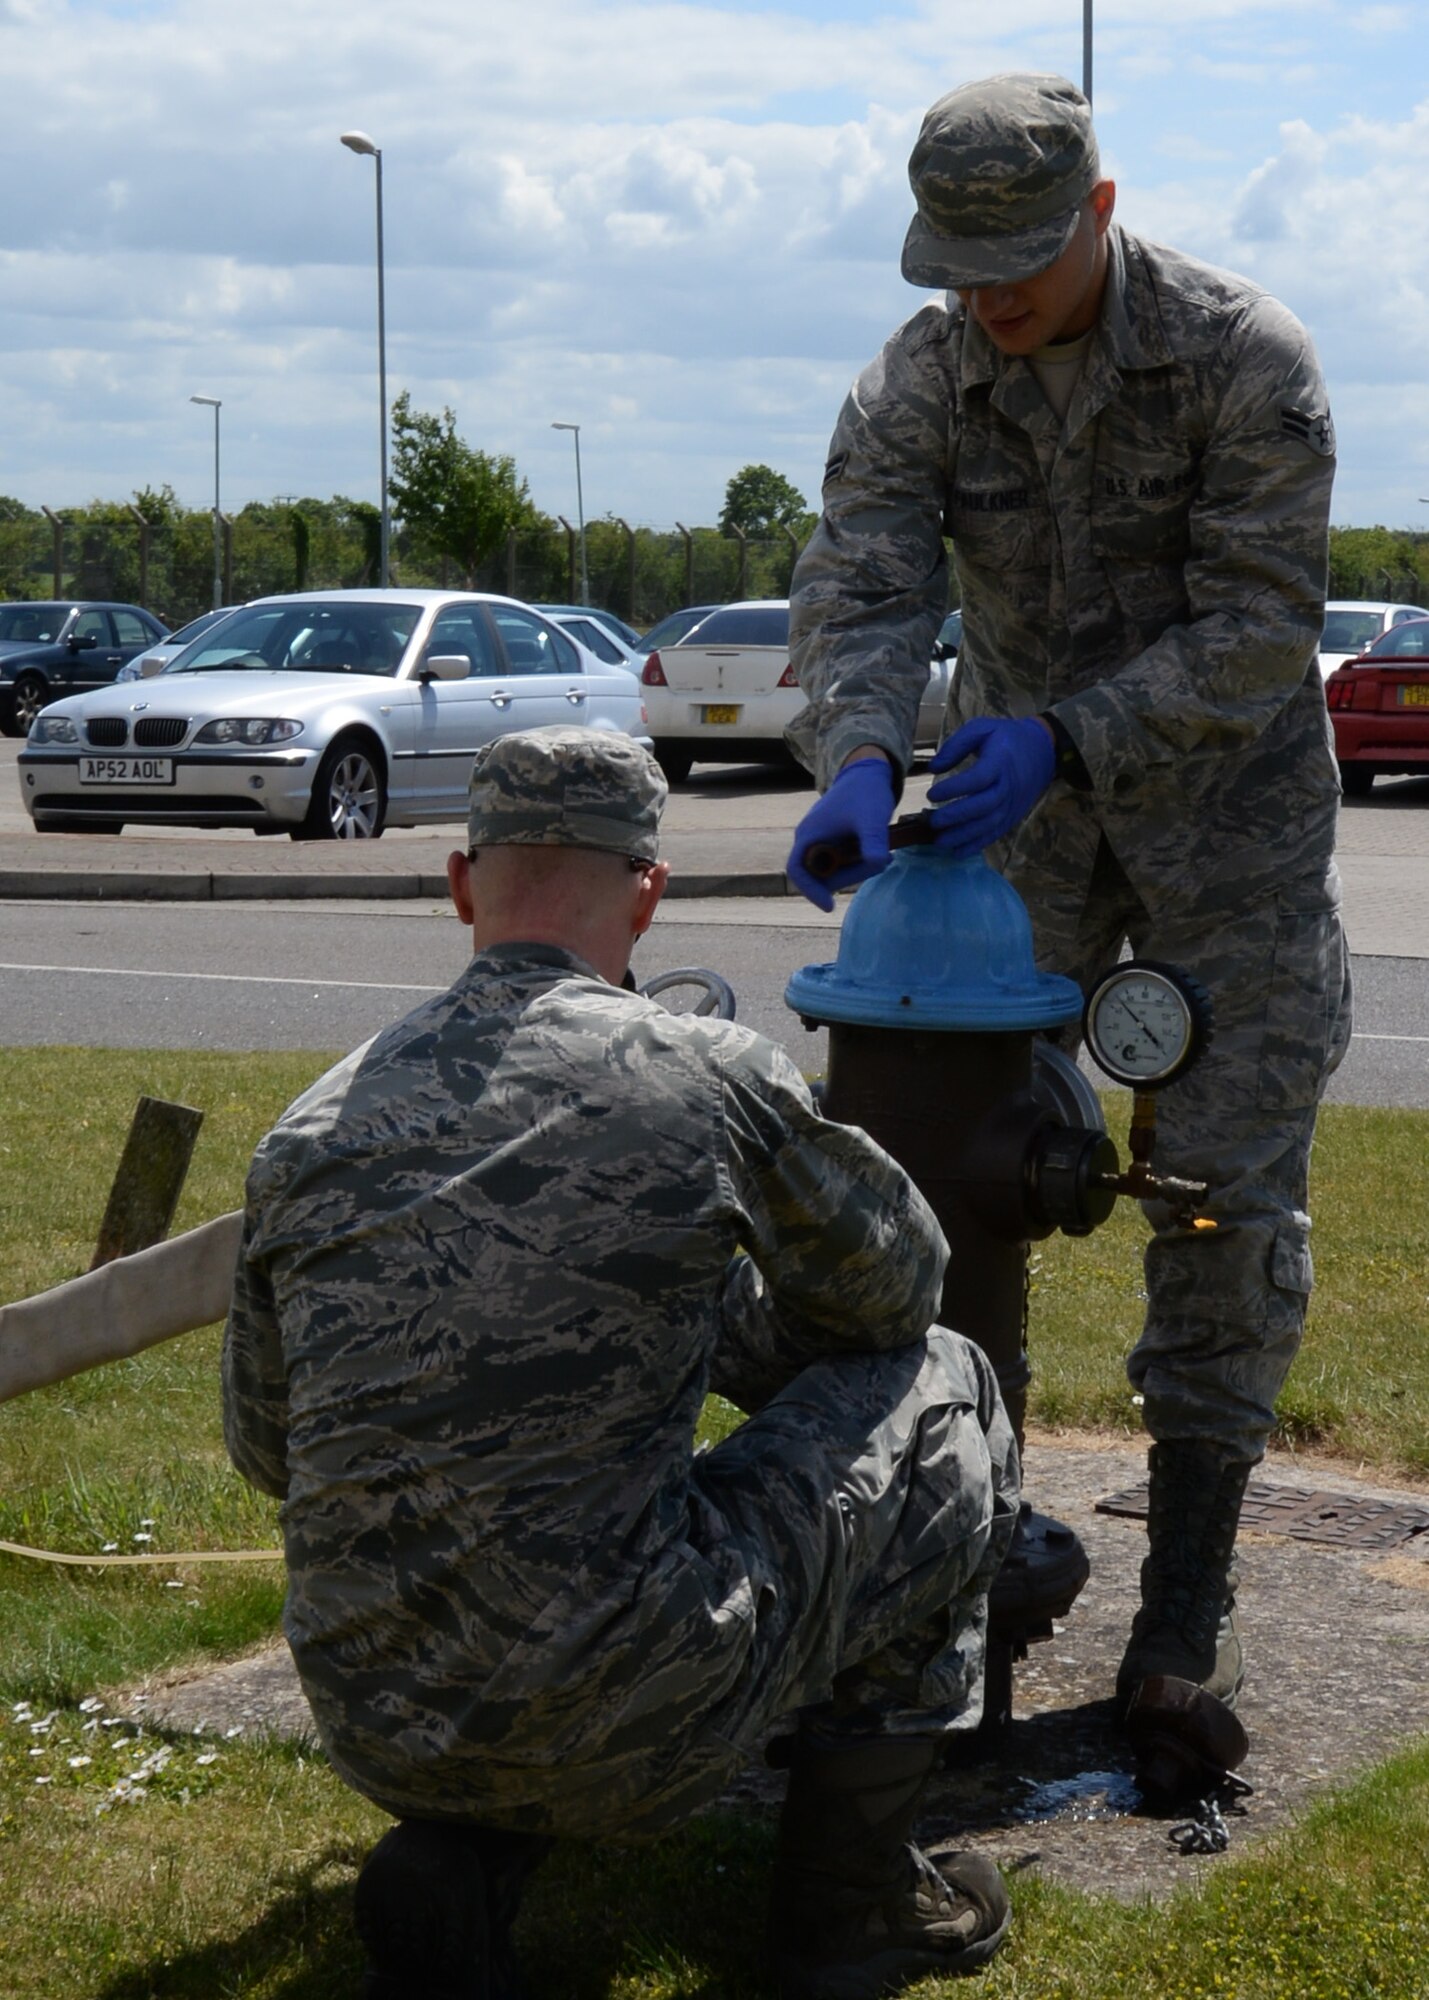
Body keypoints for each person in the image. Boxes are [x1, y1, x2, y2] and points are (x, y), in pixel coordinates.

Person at [223, 723, 1020, 2000]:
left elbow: (268, 1446)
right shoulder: (700, 1074)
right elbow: (897, 1290)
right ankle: (851, 1905)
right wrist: (725, 1307)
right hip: (637, 1710)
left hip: (377, 1712)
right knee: (947, 1390)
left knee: (537, 1535)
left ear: (460, 881)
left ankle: (471, 1856)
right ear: (650, 891)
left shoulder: (310, 1123)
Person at [785, 72, 1352, 1740]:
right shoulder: (919, 377)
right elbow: (863, 580)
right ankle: (960, 1567)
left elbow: (1261, 623)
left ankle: (1182, 1612)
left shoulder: (1244, 357)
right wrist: (854, 749)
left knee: (1213, 1198)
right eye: (953, 268)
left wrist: (1070, 733)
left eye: (1017, 260)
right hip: (1002, 845)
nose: (984, 298)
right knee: (953, 1191)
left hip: (1222, 838)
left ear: (1100, 213)